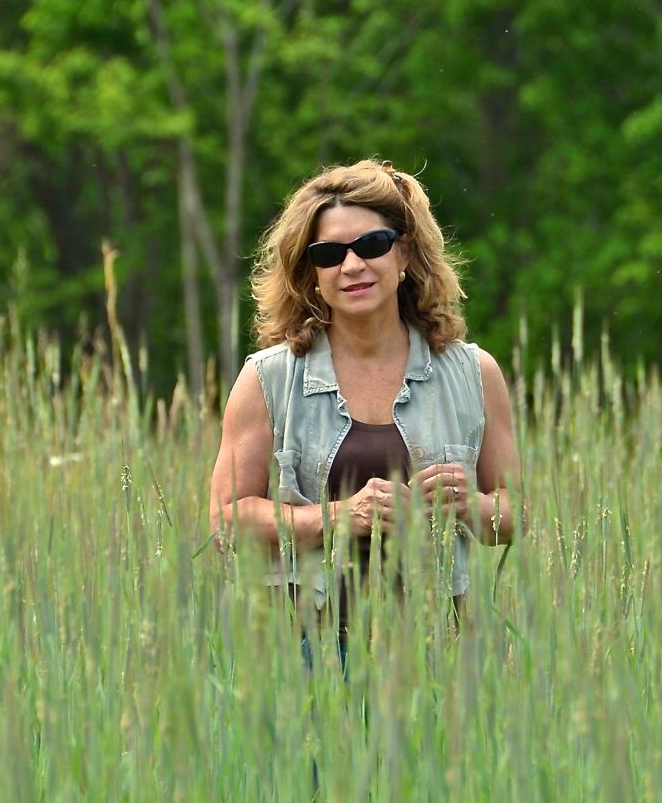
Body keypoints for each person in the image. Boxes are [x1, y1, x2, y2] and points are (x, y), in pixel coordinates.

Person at [207, 158, 520, 644]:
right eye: (329, 253)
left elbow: (511, 517)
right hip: (302, 654)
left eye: (372, 245)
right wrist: (340, 516)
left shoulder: (474, 374)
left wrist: (468, 505)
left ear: (404, 256)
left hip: (434, 654)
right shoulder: (267, 379)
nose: (352, 265)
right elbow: (227, 520)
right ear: (310, 273)